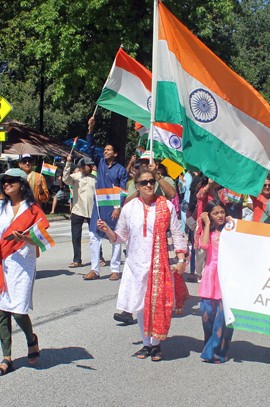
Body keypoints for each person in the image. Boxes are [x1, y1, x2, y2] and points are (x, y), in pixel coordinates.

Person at [97, 169, 187, 361]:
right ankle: (146, 344)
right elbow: (120, 238)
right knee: (140, 306)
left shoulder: (166, 206)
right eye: (144, 182)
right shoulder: (129, 209)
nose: (149, 185)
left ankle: (156, 345)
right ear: (136, 186)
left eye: (151, 181)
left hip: (159, 264)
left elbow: (177, 234)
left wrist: (181, 260)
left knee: (157, 305)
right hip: (135, 264)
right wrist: (107, 230)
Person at [0, 169, 48, 376]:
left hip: (23, 266)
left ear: (21, 184)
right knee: (3, 311)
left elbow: (43, 240)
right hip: (2, 263)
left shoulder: (33, 209)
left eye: (11, 181)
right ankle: (6, 358)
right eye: (4, 181)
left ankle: (31, 339)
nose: (6, 184)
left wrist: (25, 239)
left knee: (19, 310)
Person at [86, 117, 128, 281]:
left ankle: (115, 269)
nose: (105, 151)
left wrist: (119, 208)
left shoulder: (121, 170)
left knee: (114, 237)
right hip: (98, 207)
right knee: (93, 236)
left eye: (108, 150)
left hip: (113, 208)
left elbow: (123, 191)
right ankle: (94, 269)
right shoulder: (100, 162)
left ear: (115, 153)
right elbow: (90, 148)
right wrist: (91, 129)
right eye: (104, 149)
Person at [198, 200, 234, 363]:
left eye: (222, 212)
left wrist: (233, 225)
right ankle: (209, 346)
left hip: (227, 276)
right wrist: (206, 224)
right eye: (215, 213)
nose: (220, 216)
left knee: (223, 317)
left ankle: (218, 352)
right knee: (208, 315)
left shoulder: (231, 229)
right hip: (211, 276)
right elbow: (204, 244)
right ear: (209, 216)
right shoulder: (209, 231)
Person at [63, 155, 96, 268]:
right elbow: (65, 179)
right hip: (78, 210)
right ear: (82, 167)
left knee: (95, 235)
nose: (90, 167)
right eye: (88, 165)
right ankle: (77, 259)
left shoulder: (94, 178)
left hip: (92, 210)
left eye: (91, 165)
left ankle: (99, 256)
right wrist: (68, 163)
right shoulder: (75, 177)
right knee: (76, 236)